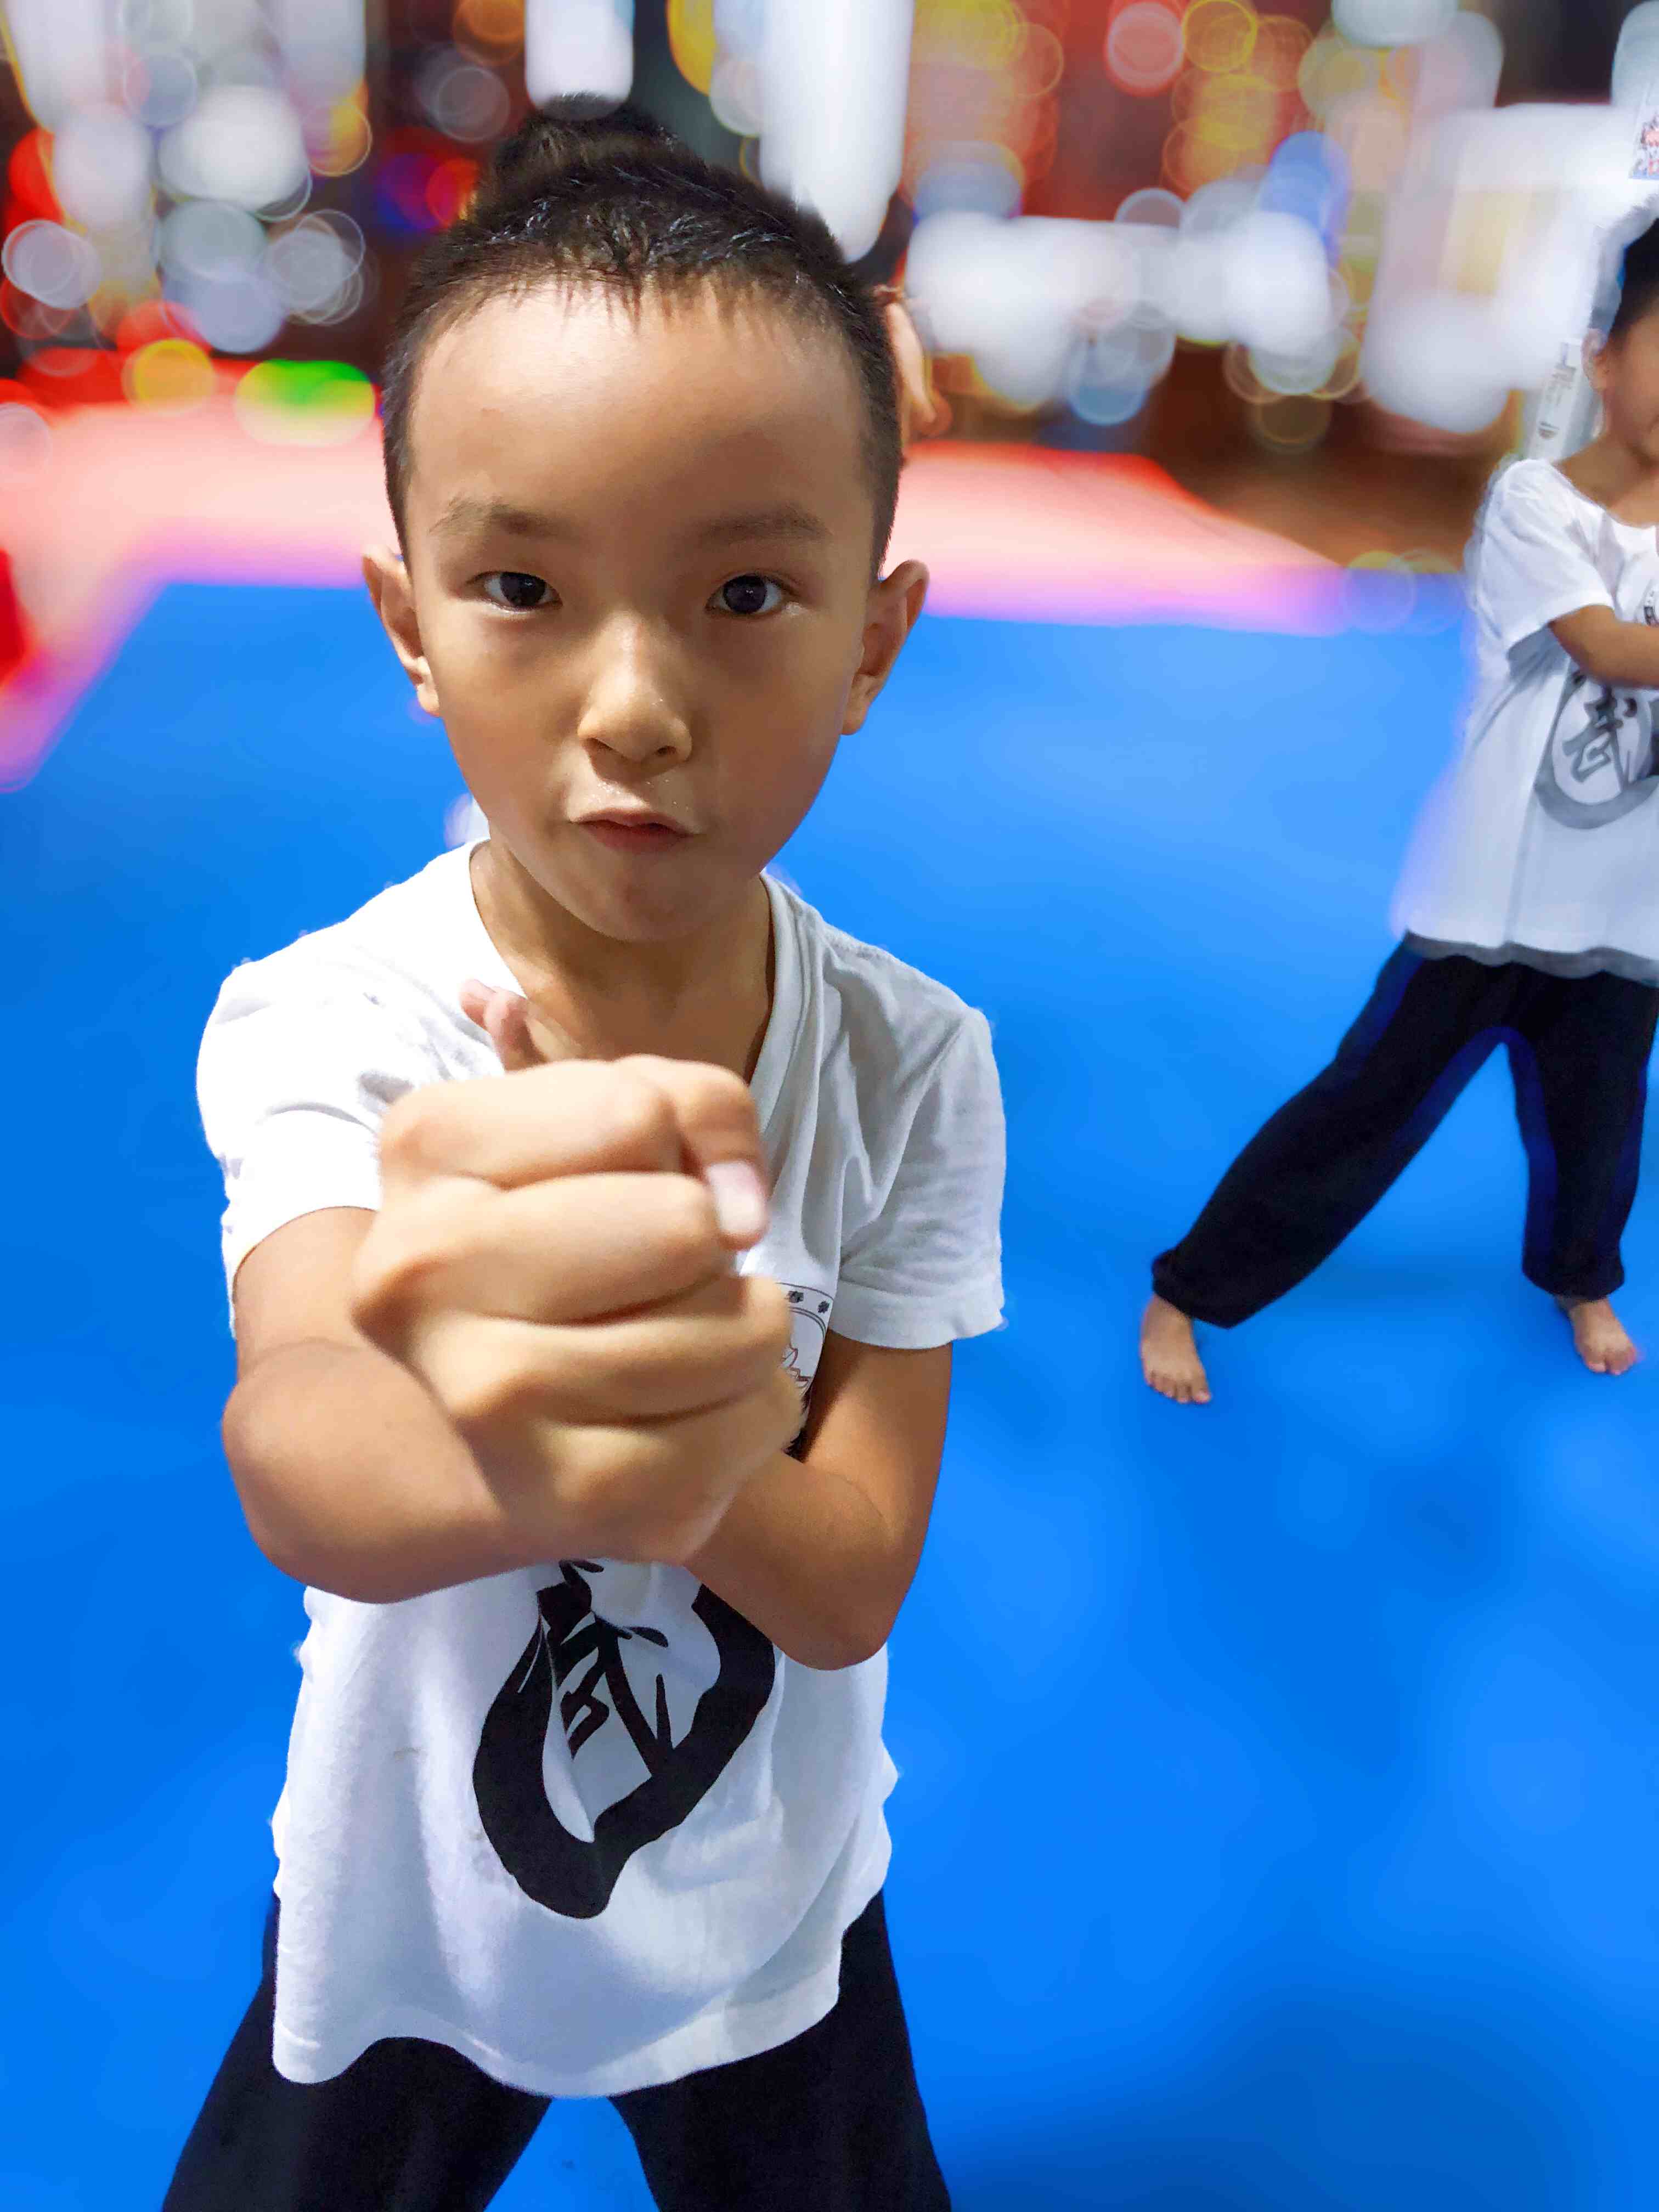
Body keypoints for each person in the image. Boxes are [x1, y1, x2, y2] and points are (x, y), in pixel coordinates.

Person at [163, 101, 1001, 2212]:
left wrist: (694, 1429)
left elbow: (850, 1581)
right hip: (410, 1905)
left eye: (741, 591)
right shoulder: (335, 1023)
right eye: (524, 584)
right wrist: (547, 1437)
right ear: (408, 619)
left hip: (768, 1912)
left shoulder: (912, 1064)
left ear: (873, 640)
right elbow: (308, 1457)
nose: (632, 702)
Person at [1141, 218, 1659, 1407]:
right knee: (1366, 1110)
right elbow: (1609, 647)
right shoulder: (1538, 506)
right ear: (1608, 359)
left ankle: (1579, 1275)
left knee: (1600, 1124)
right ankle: (1190, 1288)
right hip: (1490, 907)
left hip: (1624, 909)